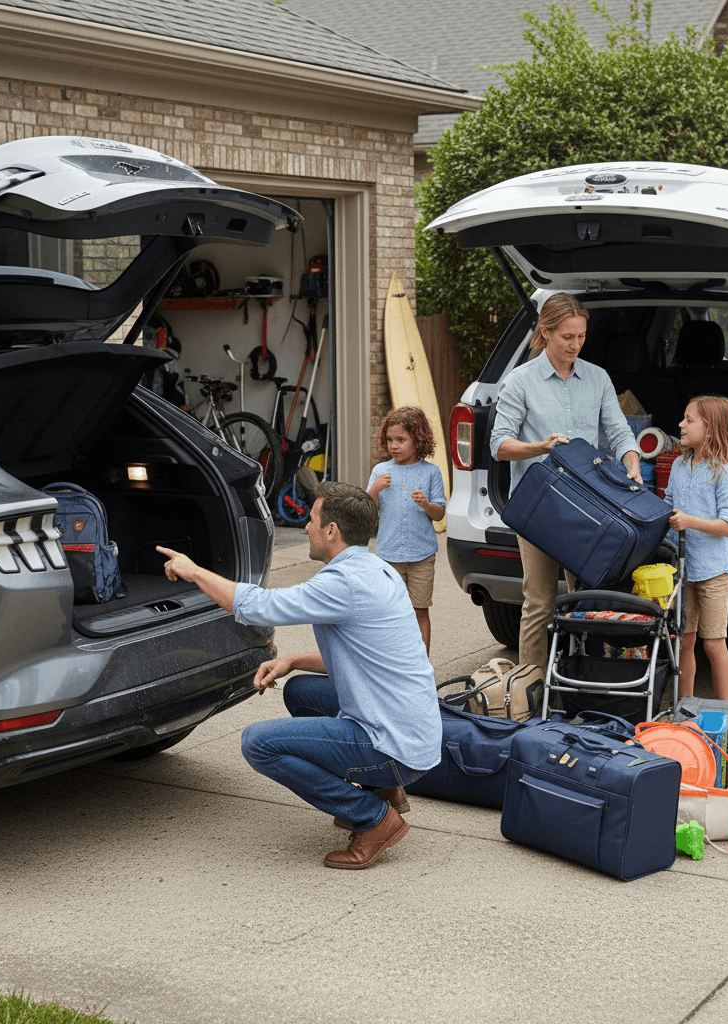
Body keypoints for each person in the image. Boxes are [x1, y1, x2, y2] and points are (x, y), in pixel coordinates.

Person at [155, 481, 441, 871]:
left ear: (331, 530)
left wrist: (194, 572)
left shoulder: (343, 584)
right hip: (411, 731)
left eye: (311, 520)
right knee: (301, 691)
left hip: (393, 744)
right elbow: (366, 658)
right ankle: (386, 790)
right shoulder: (375, 568)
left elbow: (257, 606)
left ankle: (373, 819)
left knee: (258, 743)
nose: (305, 526)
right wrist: (292, 660)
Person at [489, 293, 643, 670]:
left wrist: (632, 464)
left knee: (587, 600)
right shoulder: (520, 381)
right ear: (546, 332)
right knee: (540, 602)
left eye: (581, 336)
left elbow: (620, 431)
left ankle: (583, 684)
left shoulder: (597, 377)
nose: (575, 345)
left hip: (589, 507)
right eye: (567, 337)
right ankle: (529, 689)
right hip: (539, 508)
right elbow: (499, 445)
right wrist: (539, 446)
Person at [664, 395, 728, 700]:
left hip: (714, 571)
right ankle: (684, 706)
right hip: (685, 570)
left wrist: (689, 522)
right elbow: (668, 508)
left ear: (710, 430)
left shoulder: (723, 473)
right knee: (684, 640)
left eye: (689, 420)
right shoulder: (679, 466)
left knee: (713, 643)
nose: (681, 424)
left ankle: (726, 710)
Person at [367, 406, 447, 653]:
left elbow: (440, 513)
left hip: (421, 555)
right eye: (390, 440)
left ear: (418, 440)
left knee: (419, 610)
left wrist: (426, 504)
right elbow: (367, 511)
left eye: (401, 440)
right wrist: (373, 490)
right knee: (391, 612)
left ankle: (421, 664)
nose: (394, 446)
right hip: (388, 556)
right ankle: (393, 661)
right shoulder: (380, 471)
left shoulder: (431, 472)